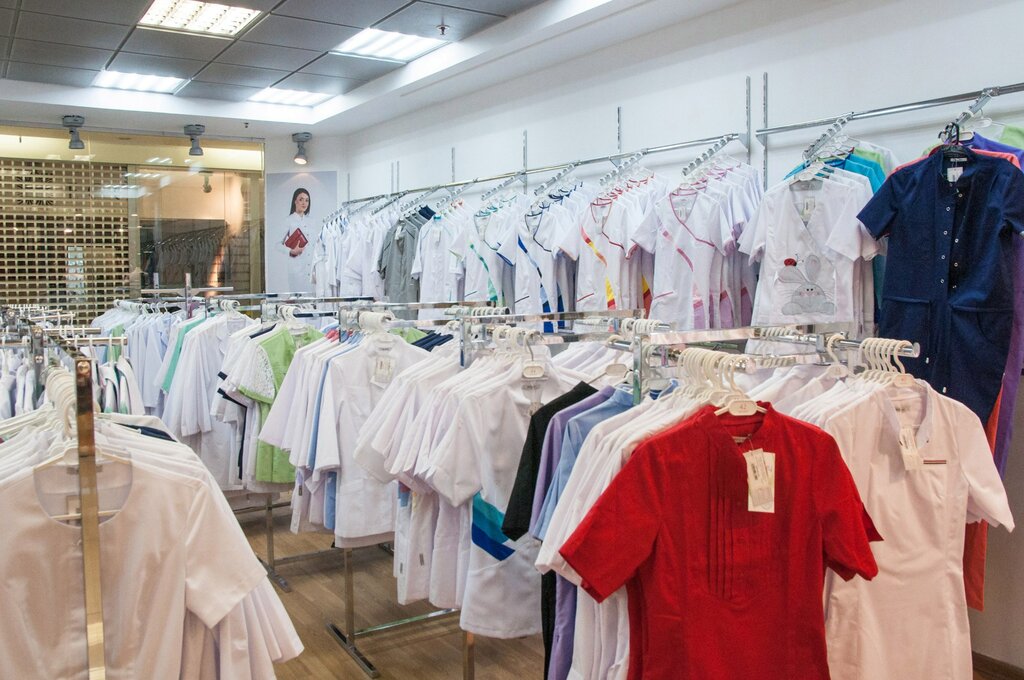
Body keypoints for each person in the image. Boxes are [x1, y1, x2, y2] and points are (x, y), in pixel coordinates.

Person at [280, 187, 312, 293]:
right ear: (295, 201)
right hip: (296, 268)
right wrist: (291, 251)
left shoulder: (311, 221)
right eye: (301, 199)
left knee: (310, 298)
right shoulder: (288, 220)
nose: (304, 203)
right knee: (297, 297)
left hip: (310, 269)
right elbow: (277, 244)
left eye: (307, 200)